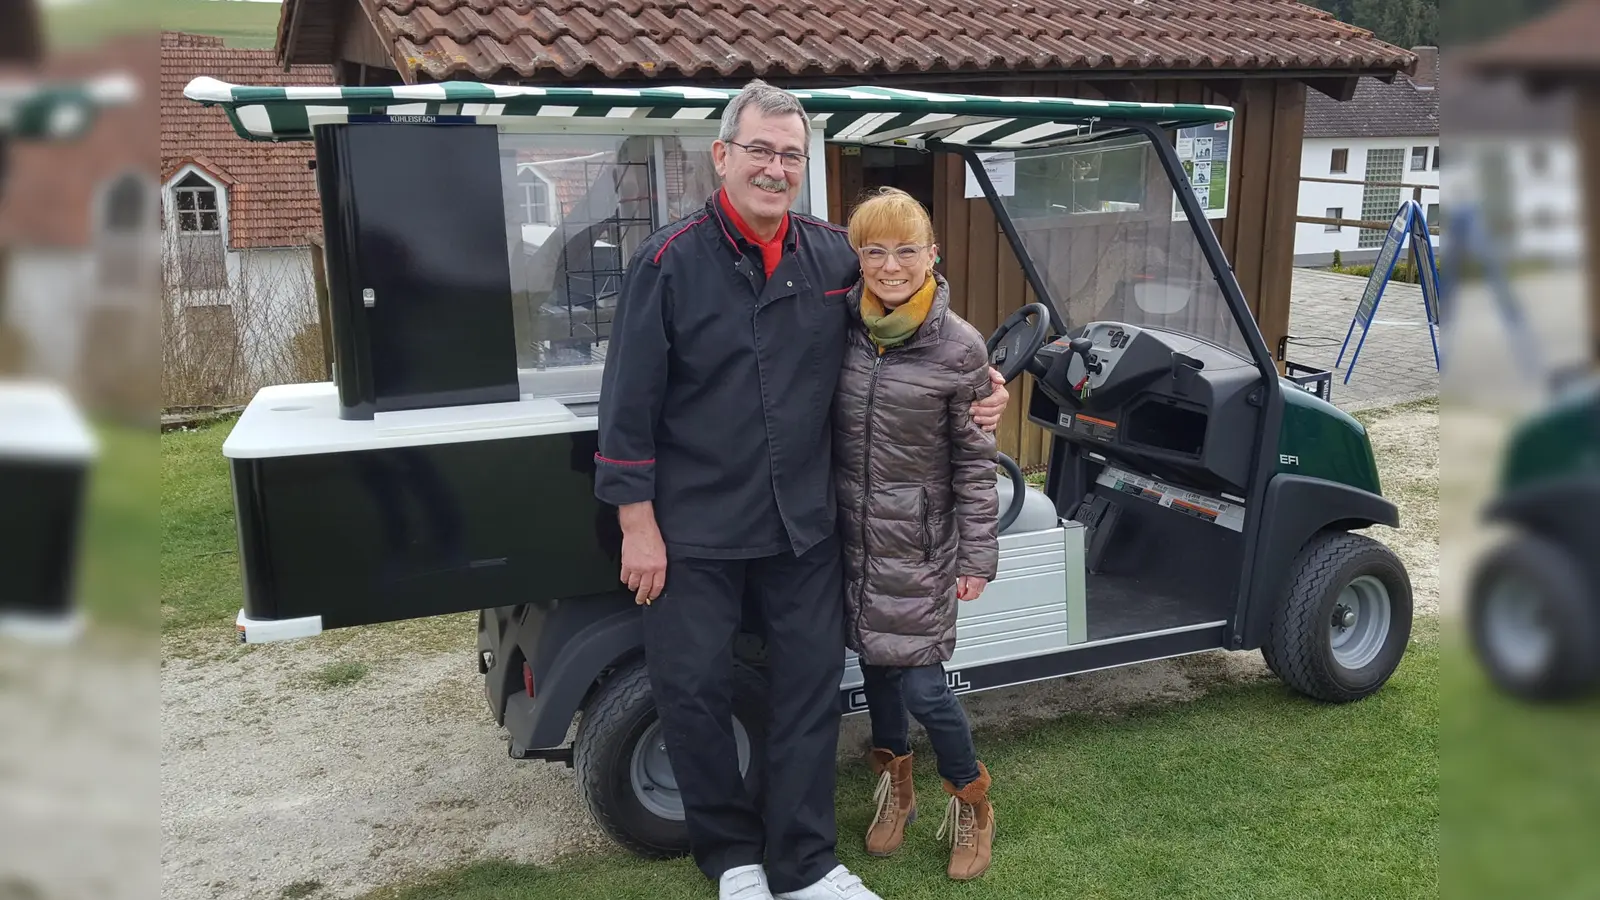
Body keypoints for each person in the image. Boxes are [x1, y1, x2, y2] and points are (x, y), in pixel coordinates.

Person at [593, 80, 1009, 900]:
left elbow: (910, 320)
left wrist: (980, 377)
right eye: (761, 151)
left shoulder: (831, 257)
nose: (776, 168)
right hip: (696, 529)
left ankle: (806, 864)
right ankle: (733, 862)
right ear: (724, 157)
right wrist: (637, 525)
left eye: (791, 154)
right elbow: (627, 406)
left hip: (804, 528)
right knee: (697, 693)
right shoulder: (668, 263)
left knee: (809, 693)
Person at [831, 187, 1000, 882]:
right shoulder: (840, 328)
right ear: (858, 257)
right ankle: (895, 794)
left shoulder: (960, 348)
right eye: (875, 249)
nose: (891, 265)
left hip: (923, 545)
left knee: (925, 688)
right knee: (876, 676)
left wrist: (977, 555)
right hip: (852, 540)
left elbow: (975, 462)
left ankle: (973, 804)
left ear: (933, 256)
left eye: (906, 249)